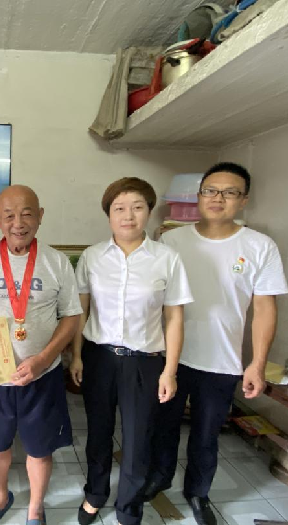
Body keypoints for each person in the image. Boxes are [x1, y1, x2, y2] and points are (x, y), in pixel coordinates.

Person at [143, 162, 288, 525]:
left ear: (244, 200)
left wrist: (257, 363)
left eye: (229, 192)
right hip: (170, 358)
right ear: (199, 196)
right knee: (162, 427)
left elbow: (264, 309)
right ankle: (159, 478)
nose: (217, 198)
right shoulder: (172, 241)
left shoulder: (260, 246)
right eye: (210, 190)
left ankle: (198, 492)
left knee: (206, 435)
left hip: (221, 361)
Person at [69, 177, 193, 525]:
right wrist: (76, 355)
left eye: (137, 207)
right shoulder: (92, 257)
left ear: (149, 212)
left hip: (145, 363)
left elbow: (174, 318)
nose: (128, 215)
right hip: (99, 358)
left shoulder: (167, 258)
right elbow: (81, 311)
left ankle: (129, 507)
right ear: (108, 214)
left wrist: (170, 370)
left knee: (138, 440)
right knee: (98, 433)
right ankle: (95, 494)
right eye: (119, 208)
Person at [0, 185, 82, 525]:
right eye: (9, 215)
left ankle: (35, 509)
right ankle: (0, 496)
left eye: (27, 214)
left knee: (40, 448)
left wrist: (43, 359)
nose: (18, 223)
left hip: (42, 377)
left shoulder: (56, 262)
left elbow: (71, 316)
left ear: (40, 216)